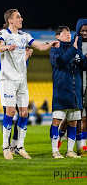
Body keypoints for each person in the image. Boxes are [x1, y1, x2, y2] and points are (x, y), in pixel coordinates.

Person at [0, 8, 59, 160]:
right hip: (8, 79)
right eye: (18, 17)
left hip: (22, 80)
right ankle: (5, 146)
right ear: (10, 20)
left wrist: (51, 44)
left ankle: (19, 146)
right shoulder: (3, 34)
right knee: (10, 112)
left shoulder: (25, 36)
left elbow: (41, 46)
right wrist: (7, 47)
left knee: (24, 113)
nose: (21, 19)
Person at [49, 25, 87, 158]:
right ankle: (55, 151)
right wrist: (74, 49)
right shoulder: (55, 50)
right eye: (64, 33)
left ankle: (70, 151)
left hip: (75, 93)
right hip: (61, 92)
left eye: (68, 32)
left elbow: (83, 65)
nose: (68, 34)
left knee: (73, 122)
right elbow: (62, 62)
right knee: (57, 121)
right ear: (57, 36)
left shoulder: (75, 49)